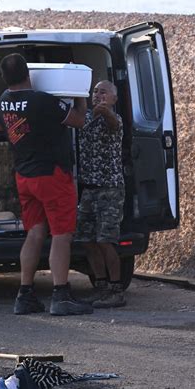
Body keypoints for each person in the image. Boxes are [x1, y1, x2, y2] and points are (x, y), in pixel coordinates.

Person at [0, 53, 92, 316]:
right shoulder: (41, 101)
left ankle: (24, 294)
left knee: (35, 232)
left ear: (5, 78)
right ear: (28, 73)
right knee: (61, 234)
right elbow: (79, 120)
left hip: (24, 175)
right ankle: (61, 294)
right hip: (51, 174)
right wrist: (79, 93)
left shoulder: (4, 101)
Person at [76, 80, 126, 308]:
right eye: (95, 92)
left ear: (114, 98)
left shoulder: (114, 119)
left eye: (103, 92)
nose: (98, 96)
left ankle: (117, 290)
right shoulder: (84, 119)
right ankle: (101, 286)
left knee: (106, 241)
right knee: (87, 240)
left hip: (110, 189)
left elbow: (114, 125)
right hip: (88, 190)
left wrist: (105, 112)